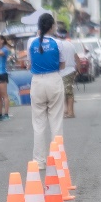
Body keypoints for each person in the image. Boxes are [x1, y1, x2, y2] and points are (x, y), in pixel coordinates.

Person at [29, 13, 66, 169]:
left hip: (37, 81)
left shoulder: (30, 42)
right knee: (56, 122)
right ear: (52, 26)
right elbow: (62, 65)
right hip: (54, 80)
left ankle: (39, 161)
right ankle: (57, 159)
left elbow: (30, 62)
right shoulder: (58, 43)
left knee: (38, 124)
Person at [57, 25, 79, 118]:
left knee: (68, 92)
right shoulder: (70, 45)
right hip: (70, 70)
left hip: (64, 71)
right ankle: (67, 110)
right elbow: (77, 59)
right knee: (66, 92)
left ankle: (70, 112)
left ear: (58, 35)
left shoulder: (57, 44)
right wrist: (78, 70)